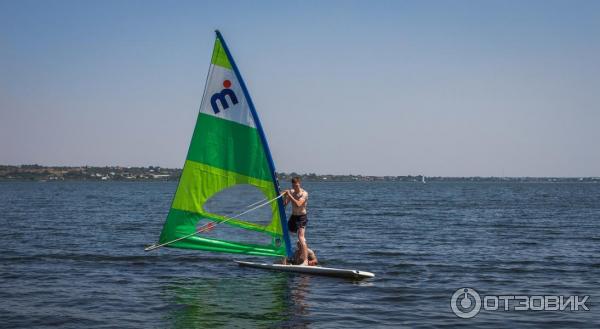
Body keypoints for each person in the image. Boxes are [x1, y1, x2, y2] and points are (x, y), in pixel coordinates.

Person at [282, 177, 310, 265]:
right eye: (293, 186)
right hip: (293, 217)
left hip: (302, 217)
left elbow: (298, 204)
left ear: (299, 184)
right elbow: (284, 205)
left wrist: (289, 194)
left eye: (296, 185)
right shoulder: (292, 192)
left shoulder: (304, 193)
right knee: (284, 234)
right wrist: (285, 196)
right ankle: (284, 260)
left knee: (300, 237)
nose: (295, 187)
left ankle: (305, 261)